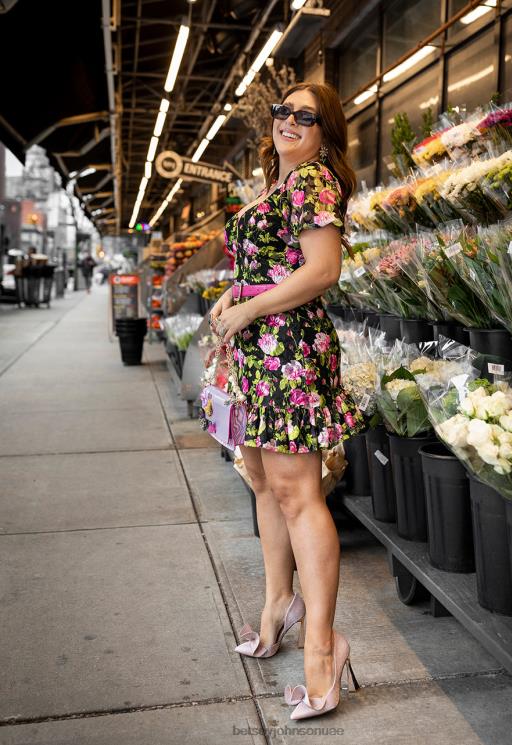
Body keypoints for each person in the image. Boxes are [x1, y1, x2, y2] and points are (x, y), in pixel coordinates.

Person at [210, 82, 365, 720]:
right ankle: (278, 603)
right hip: (257, 348)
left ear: (326, 134)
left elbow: (322, 270)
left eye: (307, 116)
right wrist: (234, 295)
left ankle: (324, 649)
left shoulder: (315, 181)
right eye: (284, 111)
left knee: (298, 494)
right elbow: (269, 265)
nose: (290, 122)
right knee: (262, 481)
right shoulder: (280, 184)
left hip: (289, 350)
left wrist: (249, 308)